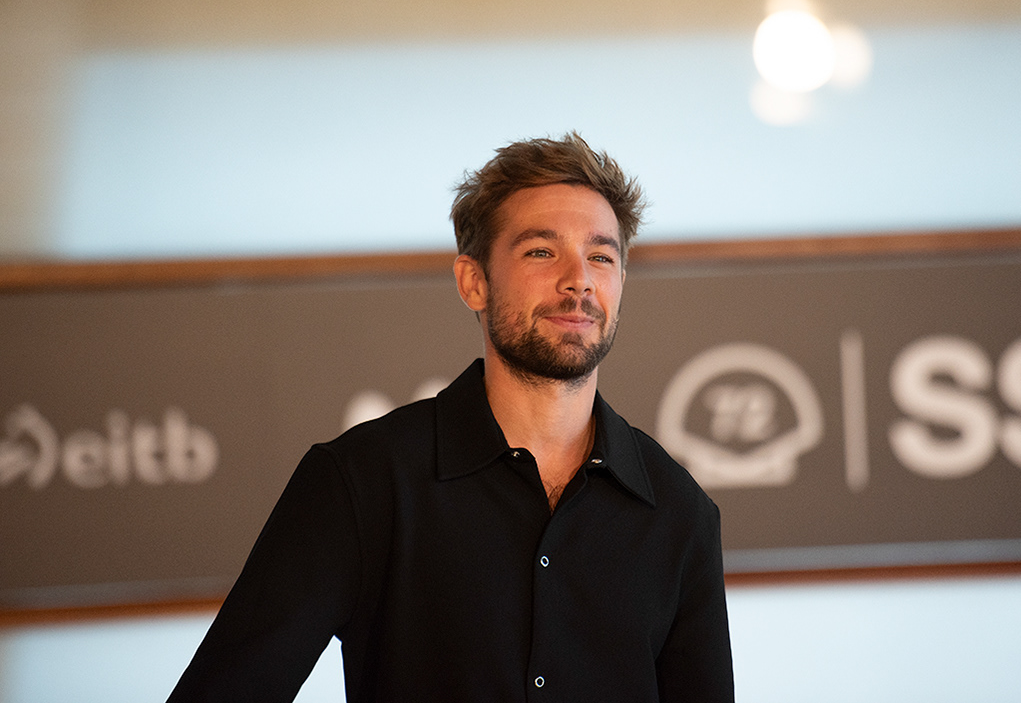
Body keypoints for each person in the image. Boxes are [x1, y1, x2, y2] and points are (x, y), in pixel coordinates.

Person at [166, 133, 734, 702]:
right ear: (473, 282)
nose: (578, 279)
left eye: (601, 257)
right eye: (541, 251)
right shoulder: (361, 482)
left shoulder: (679, 512)